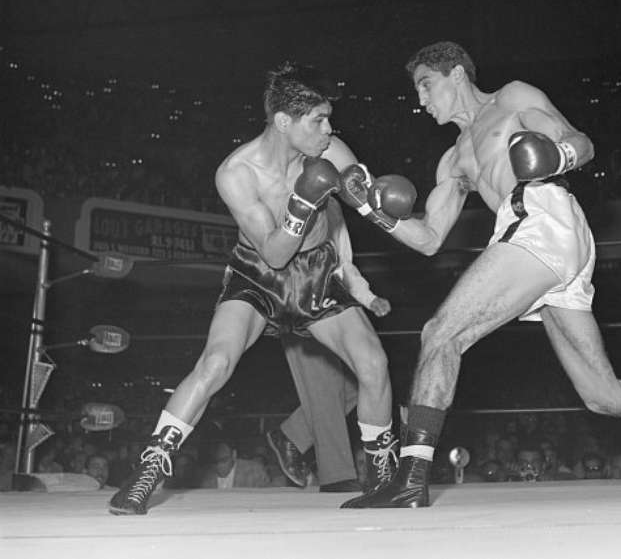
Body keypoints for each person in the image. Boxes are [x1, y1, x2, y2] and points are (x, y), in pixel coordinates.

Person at [337, 41, 621, 507]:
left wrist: (555, 157)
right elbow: (428, 239)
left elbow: (580, 142)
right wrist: (369, 207)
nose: (421, 100)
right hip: (539, 237)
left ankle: (411, 478)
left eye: (426, 84)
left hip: (543, 217)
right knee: (602, 393)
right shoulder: (453, 161)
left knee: (441, 332)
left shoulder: (510, 100)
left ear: (457, 74)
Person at [109, 62, 409, 515]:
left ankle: (383, 480)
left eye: (328, 118)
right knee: (215, 362)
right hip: (259, 276)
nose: (329, 129)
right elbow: (272, 253)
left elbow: (369, 205)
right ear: (284, 123)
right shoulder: (236, 173)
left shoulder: (332, 150)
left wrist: (388, 206)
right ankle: (146, 474)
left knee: (374, 363)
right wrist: (304, 203)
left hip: (317, 274)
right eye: (318, 121)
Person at [268, 336, 363, 492]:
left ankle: (294, 434)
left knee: (363, 383)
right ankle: (336, 476)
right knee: (326, 382)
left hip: (337, 317)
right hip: (309, 316)